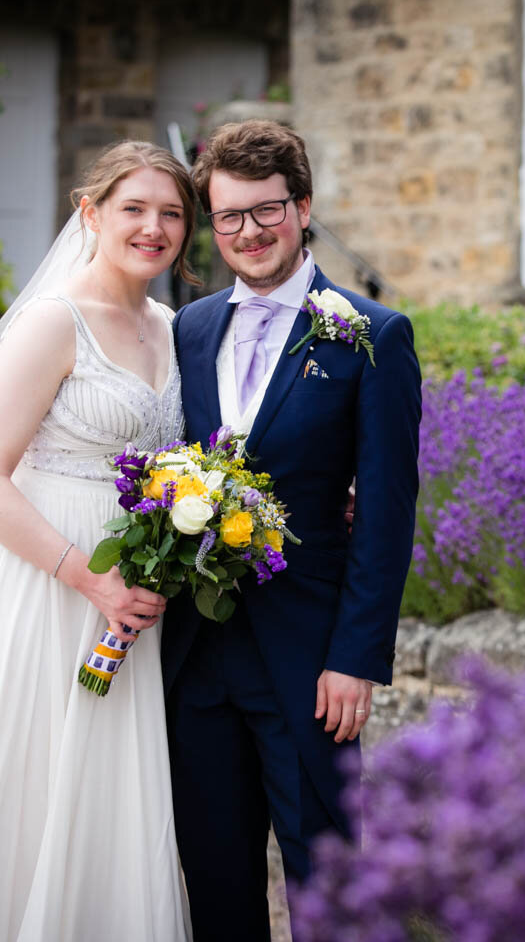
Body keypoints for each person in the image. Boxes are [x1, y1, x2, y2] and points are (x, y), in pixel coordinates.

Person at [0, 141, 197, 941]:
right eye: (133, 208)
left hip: (128, 589)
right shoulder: (49, 323)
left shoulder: (171, 327)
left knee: (107, 789)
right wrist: (88, 579)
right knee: (34, 779)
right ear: (90, 214)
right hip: (42, 584)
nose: (154, 227)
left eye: (171, 213)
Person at [161, 119, 422, 940]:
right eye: (229, 216)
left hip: (310, 661)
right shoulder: (187, 331)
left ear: (302, 207)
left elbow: (385, 512)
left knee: (327, 874)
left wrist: (356, 658)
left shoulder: (372, 336)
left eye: (266, 211)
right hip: (196, 658)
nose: (248, 232)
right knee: (215, 878)